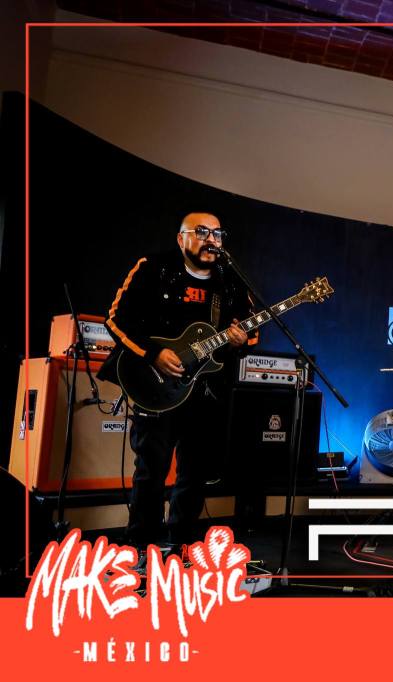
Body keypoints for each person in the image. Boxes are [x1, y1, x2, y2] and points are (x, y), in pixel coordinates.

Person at [99, 212, 257, 553]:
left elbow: (250, 328)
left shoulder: (230, 279)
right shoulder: (153, 268)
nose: (211, 239)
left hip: (206, 389)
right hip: (155, 385)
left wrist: (241, 339)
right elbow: (116, 319)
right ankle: (141, 546)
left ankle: (181, 544)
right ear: (181, 238)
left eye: (217, 233)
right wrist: (153, 353)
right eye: (201, 232)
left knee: (195, 472)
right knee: (151, 469)